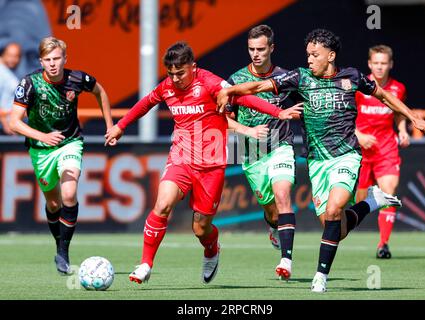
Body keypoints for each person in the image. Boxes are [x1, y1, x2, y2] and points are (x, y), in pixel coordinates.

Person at [217, 28, 425, 293]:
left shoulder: (352, 77)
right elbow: (259, 85)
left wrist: (412, 118)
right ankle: (372, 202)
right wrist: (231, 91)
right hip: (317, 162)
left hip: (346, 156)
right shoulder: (300, 77)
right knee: (337, 229)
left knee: (333, 210)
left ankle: (321, 276)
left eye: (314, 55)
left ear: (330, 56)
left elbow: (385, 96)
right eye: (307, 54)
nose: (309, 60)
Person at [104, 41, 301, 285]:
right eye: (171, 74)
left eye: (180, 73)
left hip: (211, 165)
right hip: (181, 158)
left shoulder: (210, 83)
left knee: (201, 228)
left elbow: (242, 99)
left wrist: (277, 112)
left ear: (193, 67)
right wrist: (120, 126)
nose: (175, 79)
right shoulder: (167, 87)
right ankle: (146, 263)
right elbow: (146, 103)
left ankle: (211, 249)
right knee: (162, 204)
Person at [9, 37, 116, 275]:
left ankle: (64, 252)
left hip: (70, 143)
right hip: (40, 149)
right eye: (48, 60)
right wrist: (43, 136)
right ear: (41, 61)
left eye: (57, 58)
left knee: (69, 194)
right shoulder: (29, 83)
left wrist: (111, 126)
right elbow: (13, 122)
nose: (53, 64)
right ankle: (59, 244)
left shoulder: (77, 79)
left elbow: (100, 92)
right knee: (54, 203)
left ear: (65, 59)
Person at [226, 25, 307, 280]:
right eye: (251, 49)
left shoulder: (286, 78)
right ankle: (273, 228)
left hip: (281, 146)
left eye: (261, 49)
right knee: (272, 210)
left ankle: (286, 259)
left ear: (272, 48)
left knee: (283, 195)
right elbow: (223, 120)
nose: (255, 54)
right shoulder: (235, 81)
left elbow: (307, 103)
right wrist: (247, 131)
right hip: (252, 154)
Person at [355, 45, 409, 259]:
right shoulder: (359, 86)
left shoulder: (398, 88)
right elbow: (345, 116)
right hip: (360, 150)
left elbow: (398, 111)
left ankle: (383, 244)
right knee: (356, 201)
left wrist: (403, 129)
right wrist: (358, 135)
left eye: (383, 63)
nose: (379, 67)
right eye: (376, 63)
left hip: (386, 148)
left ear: (390, 64)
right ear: (369, 64)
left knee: (389, 192)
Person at [0, 42, 21, 135]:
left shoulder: (8, 71)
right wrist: (4, 122)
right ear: (3, 54)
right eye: (10, 55)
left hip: (10, 125)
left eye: (16, 56)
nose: (13, 59)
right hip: (4, 128)